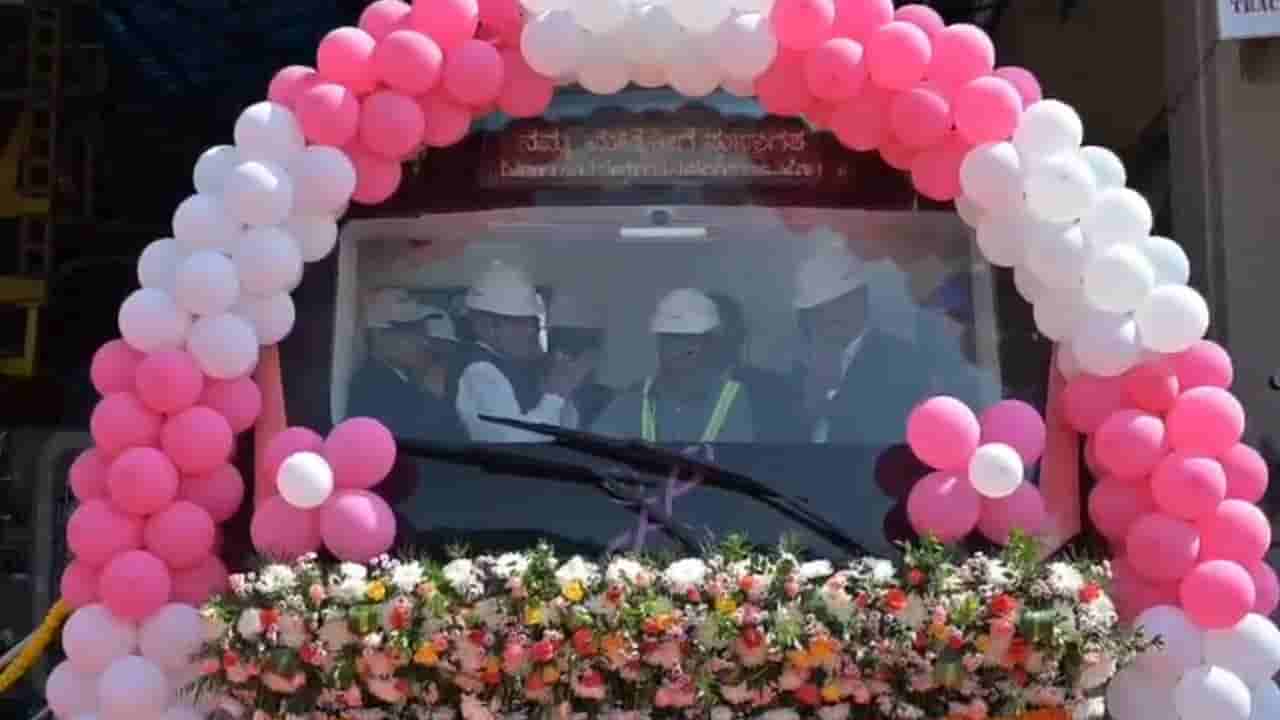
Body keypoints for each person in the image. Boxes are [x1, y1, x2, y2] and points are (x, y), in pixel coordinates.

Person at [793, 237, 975, 445]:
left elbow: (887, 431)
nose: (821, 319)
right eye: (814, 311)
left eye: (830, 306)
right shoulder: (802, 361)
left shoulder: (903, 362)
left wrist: (829, 399)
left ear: (859, 298)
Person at [452, 261, 595, 442]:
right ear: (485, 325)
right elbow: (515, 441)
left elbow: (563, 431)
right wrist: (555, 394)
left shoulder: (514, 368)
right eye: (519, 323)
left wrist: (563, 390)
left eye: (533, 322)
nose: (531, 331)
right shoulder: (479, 372)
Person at [593, 288, 753, 443]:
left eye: (692, 339)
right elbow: (596, 450)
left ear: (709, 344)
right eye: (673, 339)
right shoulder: (634, 399)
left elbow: (738, 457)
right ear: (660, 344)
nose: (682, 348)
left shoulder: (731, 399)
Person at [348, 288, 467, 442]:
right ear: (378, 335)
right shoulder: (373, 388)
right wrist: (434, 398)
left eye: (422, 330)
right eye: (411, 330)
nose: (424, 341)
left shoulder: (402, 380)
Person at [707, 292, 807, 442]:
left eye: (719, 330)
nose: (713, 340)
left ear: (740, 334)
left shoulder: (774, 390)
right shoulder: (675, 390)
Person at [546, 291, 615, 429]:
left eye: (574, 351)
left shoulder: (611, 404)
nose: (562, 358)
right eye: (557, 347)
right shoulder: (533, 395)